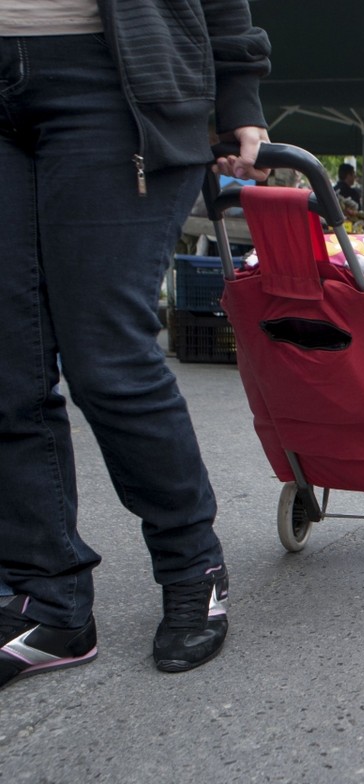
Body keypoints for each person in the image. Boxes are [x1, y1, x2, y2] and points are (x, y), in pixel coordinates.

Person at [0, 0, 271, 689]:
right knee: (7, 367)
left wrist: (239, 86)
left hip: (115, 82)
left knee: (106, 360)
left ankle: (191, 568)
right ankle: (48, 600)